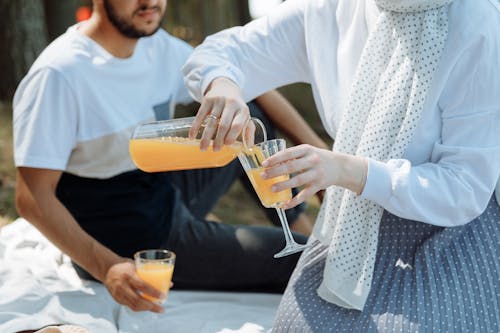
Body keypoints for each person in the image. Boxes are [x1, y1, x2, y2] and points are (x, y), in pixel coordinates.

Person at [183, 0, 500, 331]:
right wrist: (224, 87)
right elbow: (220, 52)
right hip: (349, 225)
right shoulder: (332, 8)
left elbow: (465, 188)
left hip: (447, 236)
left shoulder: (477, 20)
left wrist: (350, 171)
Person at [13, 0, 328, 314]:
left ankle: (298, 227)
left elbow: (248, 85)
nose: (150, 2)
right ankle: (296, 244)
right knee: (306, 263)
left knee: (243, 115)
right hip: (126, 228)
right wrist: (107, 267)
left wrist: (322, 157)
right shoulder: (58, 75)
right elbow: (31, 198)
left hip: (160, 182)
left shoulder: (159, 47)